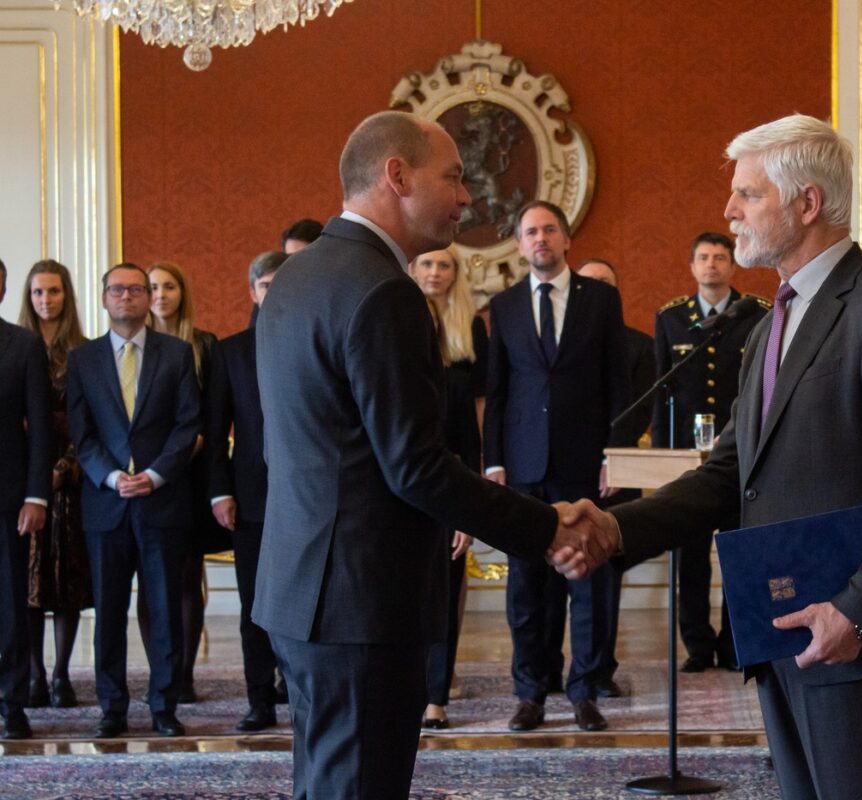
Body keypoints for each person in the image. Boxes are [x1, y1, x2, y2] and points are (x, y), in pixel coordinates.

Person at [562, 114, 862, 799]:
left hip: (856, 644)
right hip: (785, 635)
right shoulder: (771, 320)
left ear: (807, 203)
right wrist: (616, 527)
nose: (728, 210)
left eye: (748, 194)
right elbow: (729, 472)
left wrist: (855, 609)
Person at [252, 110, 614, 799]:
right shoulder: (384, 291)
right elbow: (413, 465)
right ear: (397, 175)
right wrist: (545, 529)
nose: (467, 198)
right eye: (452, 177)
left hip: (302, 591)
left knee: (327, 782)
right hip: (361, 602)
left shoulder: (299, 277)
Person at [484, 201, 632, 733]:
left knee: (587, 583)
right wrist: (494, 462)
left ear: (566, 240)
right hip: (523, 468)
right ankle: (531, 693)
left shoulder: (601, 300)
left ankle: (584, 691)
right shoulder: (502, 308)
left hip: (584, 466)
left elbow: (619, 384)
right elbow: (498, 392)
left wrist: (615, 454)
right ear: (520, 245)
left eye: (549, 229)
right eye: (530, 232)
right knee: (527, 590)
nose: (540, 239)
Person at [67, 262, 201, 738]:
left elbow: (189, 424)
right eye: (117, 290)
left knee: (164, 607)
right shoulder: (82, 360)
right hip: (106, 505)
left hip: (161, 503)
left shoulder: (177, 354)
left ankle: (164, 706)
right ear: (104, 299)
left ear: (148, 299)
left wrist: (154, 474)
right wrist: (109, 477)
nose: (127, 297)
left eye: (136, 289)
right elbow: (81, 434)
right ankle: (112, 708)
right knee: (109, 610)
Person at [651, 232, 769, 673]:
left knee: (738, 555)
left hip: (742, 457)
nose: (712, 265)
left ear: (733, 265)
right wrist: (663, 459)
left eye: (721, 257)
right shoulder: (671, 319)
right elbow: (663, 393)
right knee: (692, 560)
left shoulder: (757, 314)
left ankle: (735, 643)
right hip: (687, 461)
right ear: (692, 266)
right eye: (703, 257)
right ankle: (698, 646)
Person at [205, 250, 286, 732]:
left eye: (283, 284)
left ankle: (301, 693)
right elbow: (216, 432)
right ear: (252, 291)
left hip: (307, 497)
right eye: (267, 286)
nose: (274, 293)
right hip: (251, 497)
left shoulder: (314, 338)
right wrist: (219, 492)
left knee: (305, 604)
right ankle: (260, 699)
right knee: (254, 605)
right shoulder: (230, 352)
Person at [408, 245, 487, 729]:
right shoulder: (392, 325)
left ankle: (435, 695)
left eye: (444, 265)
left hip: (449, 479)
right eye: (427, 264)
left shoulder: (467, 337)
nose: (435, 272)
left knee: (444, 590)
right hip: (398, 485)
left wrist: (469, 503)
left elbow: (473, 423)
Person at [576, 257, 655, 697]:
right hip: (563, 473)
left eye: (606, 284)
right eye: (588, 285)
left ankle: (598, 669)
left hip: (614, 473)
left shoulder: (639, 345)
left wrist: (615, 459)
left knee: (604, 576)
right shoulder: (560, 343)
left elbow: (637, 410)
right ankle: (546, 671)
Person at [17, 260, 92, 710]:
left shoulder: (83, 350)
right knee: (25, 583)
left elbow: (90, 421)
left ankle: (63, 673)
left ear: (67, 296)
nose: (46, 300)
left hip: (71, 481)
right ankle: (34, 674)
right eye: (39, 292)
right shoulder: (17, 346)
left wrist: (63, 467)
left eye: (54, 291)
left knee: (66, 582)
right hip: (23, 478)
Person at [143, 261, 218, 705]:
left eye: (169, 286)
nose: (160, 295)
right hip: (146, 475)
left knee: (188, 575)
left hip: (191, 473)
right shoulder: (132, 344)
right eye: (152, 287)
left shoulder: (204, 344)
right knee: (151, 580)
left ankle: (184, 674)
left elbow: (210, 409)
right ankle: (159, 671)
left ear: (181, 292)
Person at [0, 257, 54, 741]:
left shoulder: (24, 345)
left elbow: (41, 431)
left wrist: (37, 495)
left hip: (8, 498)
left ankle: (11, 702)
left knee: (10, 606)